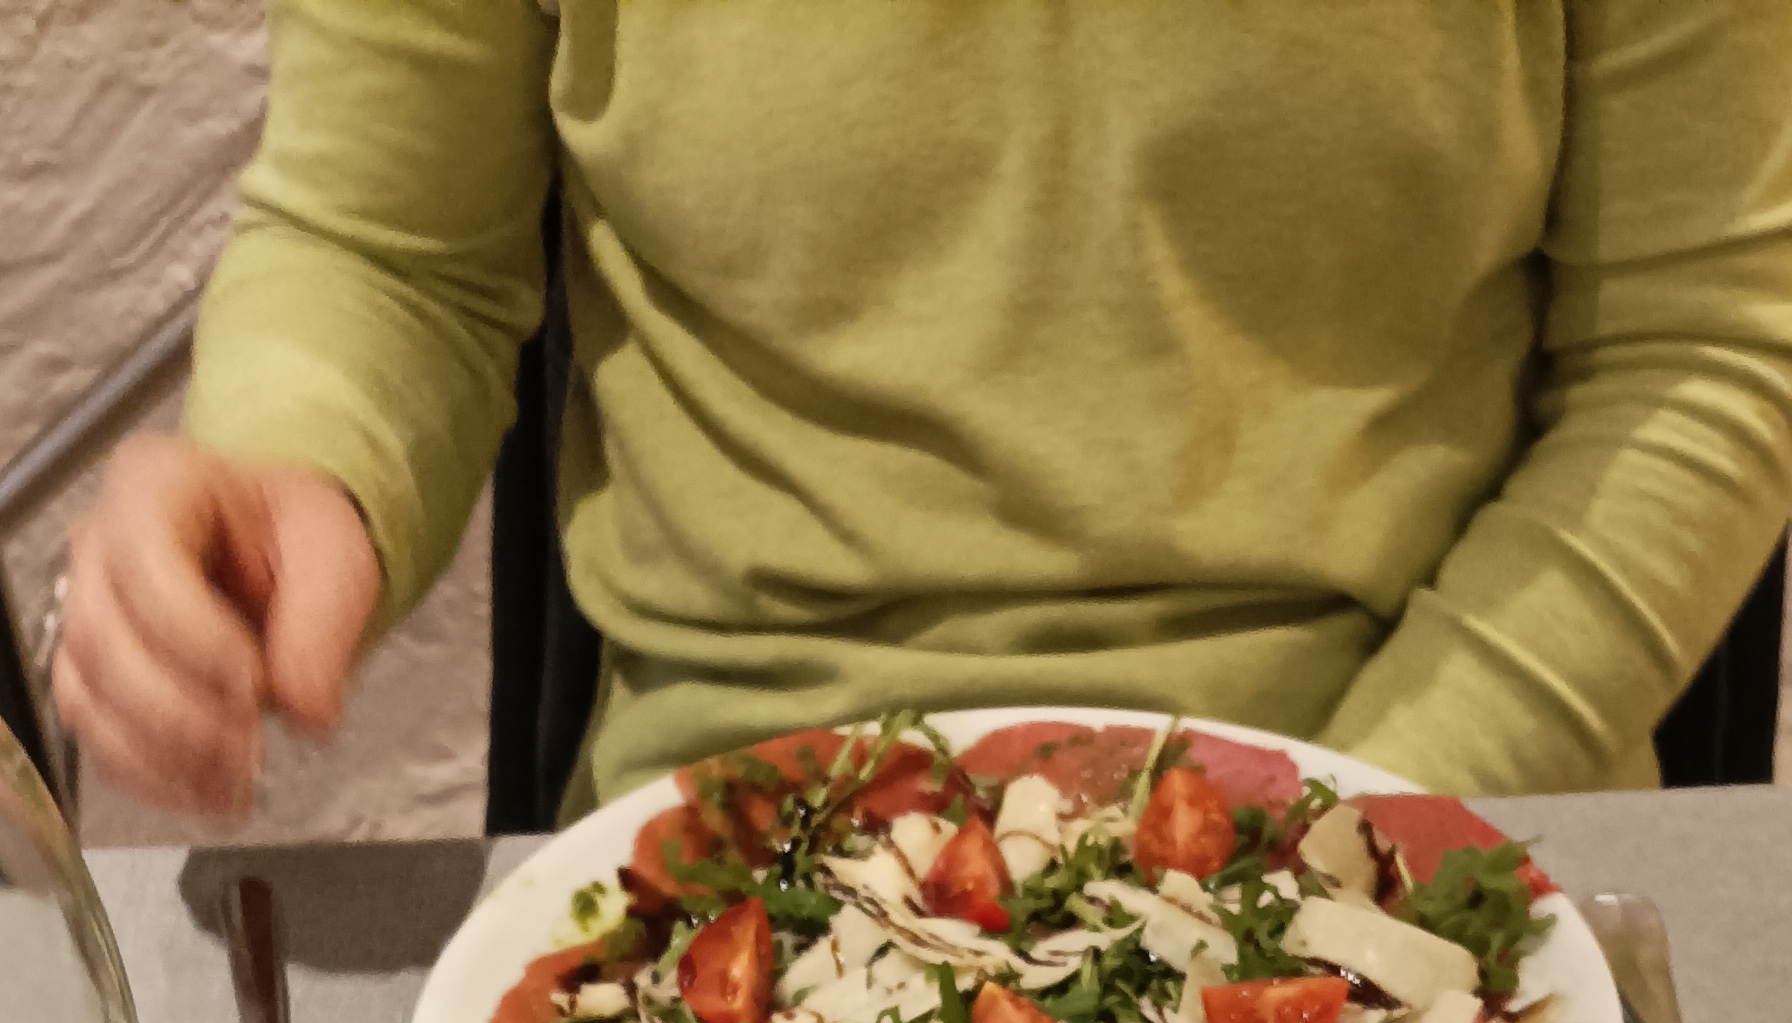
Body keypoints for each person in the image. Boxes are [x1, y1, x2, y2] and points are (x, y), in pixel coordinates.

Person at [54, 0, 1792, 823]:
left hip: (1422, 814)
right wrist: (299, 463)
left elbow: (1705, 341)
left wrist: (1373, 819)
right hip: (744, 850)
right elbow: (391, 252)